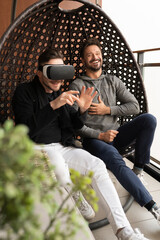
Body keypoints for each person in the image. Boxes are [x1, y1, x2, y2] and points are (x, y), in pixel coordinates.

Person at [12, 48, 150, 240]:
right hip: (36, 148)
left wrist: (82, 111)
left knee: (97, 165)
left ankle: (124, 231)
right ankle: (73, 194)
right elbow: (25, 130)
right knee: (59, 168)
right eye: (53, 72)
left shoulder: (60, 92)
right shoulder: (24, 92)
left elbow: (73, 126)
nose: (58, 80)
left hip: (63, 146)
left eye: (62, 73)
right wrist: (53, 106)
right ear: (39, 72)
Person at [69, 37, 160, 225]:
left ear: (102, 57)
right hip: (94, 140)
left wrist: (108, 110)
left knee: (148, 120)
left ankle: (139, 170)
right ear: (83, 61)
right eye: (89, 55)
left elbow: (134, 106)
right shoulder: (77, 86)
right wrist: (85, 112)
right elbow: (73, 124)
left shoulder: (112, 80)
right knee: (115, 159)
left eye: (97, 54)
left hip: (116, 135)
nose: (95, 57)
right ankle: (153, 207)